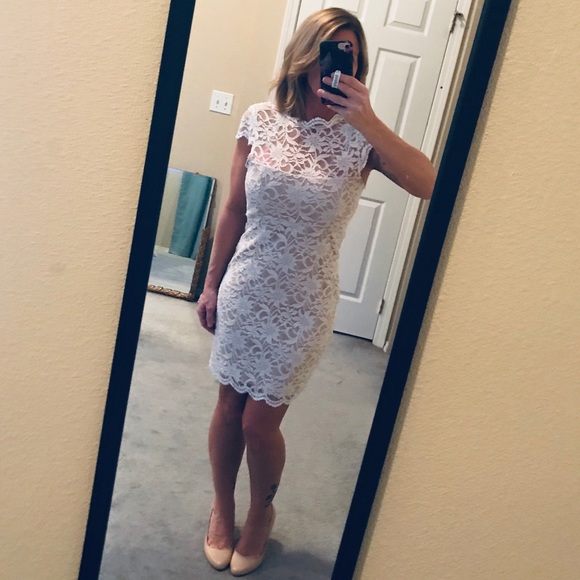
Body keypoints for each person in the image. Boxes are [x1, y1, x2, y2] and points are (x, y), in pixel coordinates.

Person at [196, 7, 435, 576]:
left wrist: (368, 120)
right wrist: (210, 283)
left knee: (260, 423)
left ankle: (261, 513)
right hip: (246, 287)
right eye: (329, 51)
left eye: (350, 55)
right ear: (304, 58)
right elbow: (234, 209)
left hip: (304, 302)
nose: (337, 65)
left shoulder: (360, 140)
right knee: (228, 408)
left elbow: (430, 184)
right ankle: (223, 508)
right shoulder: (258, 120)